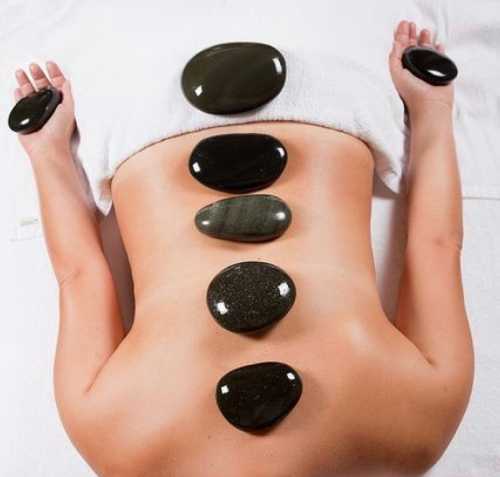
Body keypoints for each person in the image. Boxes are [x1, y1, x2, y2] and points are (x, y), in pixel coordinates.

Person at [13, 19, 473, 477]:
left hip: (323, 85)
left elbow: (437, 245)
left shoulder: (417, 428)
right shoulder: (115, 442)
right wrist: (46, 149)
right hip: (145, 102)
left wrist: (432, 107)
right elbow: (77, 273)